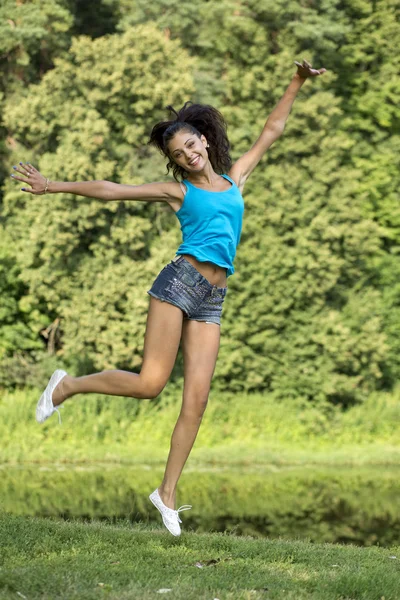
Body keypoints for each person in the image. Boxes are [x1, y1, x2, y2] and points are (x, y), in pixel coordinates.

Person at [10, 59, 326, 536]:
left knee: (195, 402)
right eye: (178, 153)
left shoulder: (235, 178)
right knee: (149, 384)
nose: (187, 154)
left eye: (191, 144)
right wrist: (51, 185)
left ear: (203, 139)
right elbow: (112, 191)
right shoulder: (177, 192)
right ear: (175, 161)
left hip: (213, 301)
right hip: (178, 286)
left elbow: (272, 130)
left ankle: (167, 495)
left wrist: (297, 81)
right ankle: (66, 386)